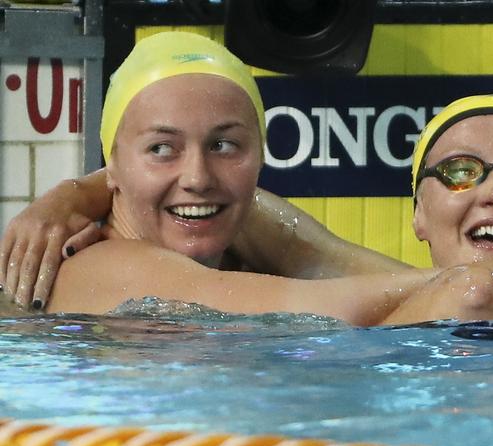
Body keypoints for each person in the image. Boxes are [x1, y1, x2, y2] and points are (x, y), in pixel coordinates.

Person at [2, 68, 493, 323]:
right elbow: (476, 293)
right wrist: (70, 195)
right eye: (459, 172)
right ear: (418, 216)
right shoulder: (103, 260)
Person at [0, 30, 437, 321]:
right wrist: (478, 286)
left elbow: (342, 267)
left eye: (224, 146)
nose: (197, 177)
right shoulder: (105, 265)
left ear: (261, 154)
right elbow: (319, 312)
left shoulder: (247, 237)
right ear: (112, 165)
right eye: (161, 149)